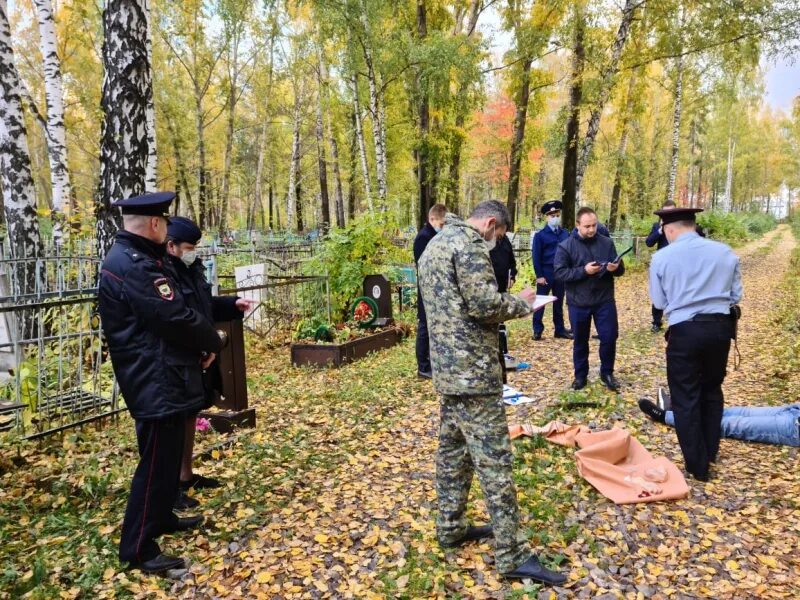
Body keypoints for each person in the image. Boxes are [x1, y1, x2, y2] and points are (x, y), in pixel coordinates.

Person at [418, 200, 566, 585]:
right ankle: (512, 554)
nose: (495, 241)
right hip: (474, 374)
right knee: (495, 464)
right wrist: (524, 304)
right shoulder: (467, 245)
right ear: (490, 223)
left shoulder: (436, 243)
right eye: (497, 234)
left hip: (448, 371)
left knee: (453, 455)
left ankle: (451, 526)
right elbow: (483, 304)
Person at [99, 192, 223, 573]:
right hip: (154, 377)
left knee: (167, 458)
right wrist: (212, 339)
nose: (167, 228)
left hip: (163, 373)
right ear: (154, 225)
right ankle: (138, 549)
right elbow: (175, 317)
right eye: (165, 222)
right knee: (154, 465)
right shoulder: (135, 265)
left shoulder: (137, 259)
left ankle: (162, 517)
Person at [166, 217, 257, 507]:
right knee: (175, 422)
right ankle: (169, 488)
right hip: (179, 357)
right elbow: (180, 317)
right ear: (172, 247)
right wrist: (206, 344)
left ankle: (185, 476)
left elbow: (202, 305)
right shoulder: (164, 274)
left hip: (198, 356)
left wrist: (231, 305)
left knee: (191, 413)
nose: (194, 251)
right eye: (190, 247)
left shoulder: (190, 268)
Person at [649, 206, 742, 481]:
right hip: (719, 329)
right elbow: (736, 295)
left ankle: (697, 464)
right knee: (712, 389)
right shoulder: (725, 252)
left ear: (668, 229)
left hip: (684, 331)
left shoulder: (662, 257)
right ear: (693, 224)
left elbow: (658, 302)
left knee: (685, 395)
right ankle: (710, 450)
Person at [554, 206, 625, 392]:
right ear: (578, 225)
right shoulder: (565, 246)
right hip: (578, 302)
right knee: (580, 340)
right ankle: (580, 376)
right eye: (587, 226)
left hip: (604, 300)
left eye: (594, 225)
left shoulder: (606, 243)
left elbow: (620, 268)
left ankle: (607, 373)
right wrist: (583, 271)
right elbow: (560, 273)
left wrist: (614, 268)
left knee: (609, 337)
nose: (591, 229)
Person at [638, 391, 799, 447]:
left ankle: (665, 416)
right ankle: (678, 411)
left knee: (735, 425)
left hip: (793, 429)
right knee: (734, 412)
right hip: (795, 411)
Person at [413, 204, 447, 379]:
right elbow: (424, 265)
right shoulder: (423, 237)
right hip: (427, 290)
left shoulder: (434, 236)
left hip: (437, 290)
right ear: (432, 219)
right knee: (425, 328)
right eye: (441, 224)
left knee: (434, 328)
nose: (442, 228)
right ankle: (423, 367)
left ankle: (433, 363)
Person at [531, 201, 572, 341]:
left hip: (561, 272)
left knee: (559, 302)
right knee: (540, 302)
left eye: (557, 214)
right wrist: (539, 275)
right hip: (546, 272)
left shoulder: (565, 234)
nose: (555, 217)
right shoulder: (540, 236)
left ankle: (559, 329)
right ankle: (537, 330)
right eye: (552, 215)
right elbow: (536, 257)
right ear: (546, 217)